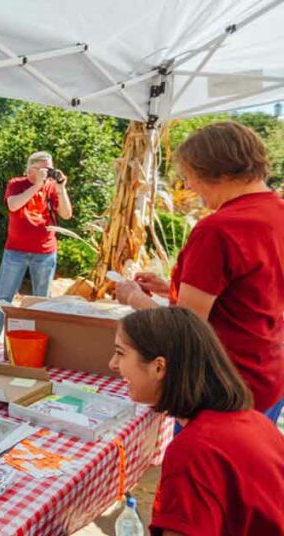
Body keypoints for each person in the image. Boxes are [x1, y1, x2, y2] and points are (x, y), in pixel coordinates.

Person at [116, 121, 284, 421]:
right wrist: (168, 285)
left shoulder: (220, 228)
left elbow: (184, 331)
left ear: (220, 172)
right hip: (268, 373)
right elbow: (253, 290)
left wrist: (133, 298)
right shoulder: (276, 213)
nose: (189, 186)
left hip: (224, 387)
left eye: (190, 176)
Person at [110, 307, 284, 535]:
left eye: (120, 353)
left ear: (159, 367)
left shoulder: (193, 452)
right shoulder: (254, 421)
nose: (113, 364)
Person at [0, 151, 73, 349]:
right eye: (43, 169)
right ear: (31, 169)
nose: (47, 172)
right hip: (16, 250)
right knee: (4, 295)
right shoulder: (17, 184)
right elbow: (14, 205)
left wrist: (61, 188)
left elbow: (66, 214)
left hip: (45, 251)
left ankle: (40, 337)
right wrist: (36, 186)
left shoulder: (52, 188)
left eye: (50, 168)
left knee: (42, 299)